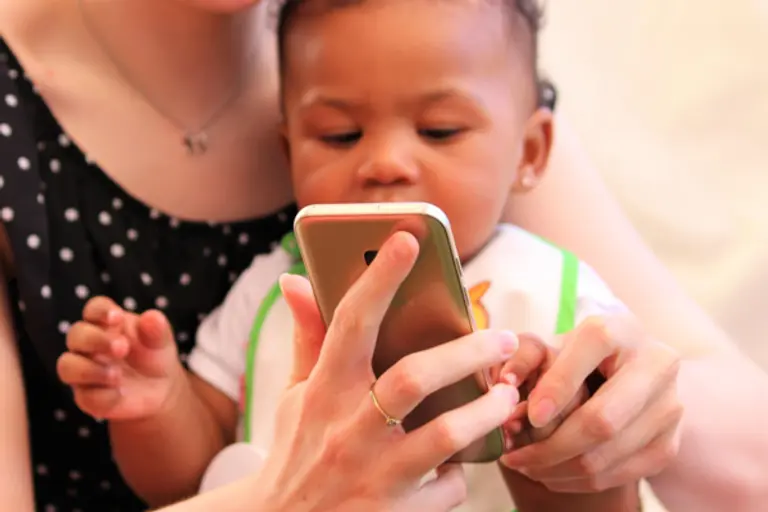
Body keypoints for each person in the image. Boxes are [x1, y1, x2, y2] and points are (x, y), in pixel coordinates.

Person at [0, 0, 766, 511]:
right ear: (288, 144)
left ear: (530, 151)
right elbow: (190, 466)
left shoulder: (554, 287)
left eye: (439, 132)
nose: (386, 163)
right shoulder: (279, 287)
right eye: (339, 135)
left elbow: (659, 466)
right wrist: (158, 402)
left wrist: (610, 429)